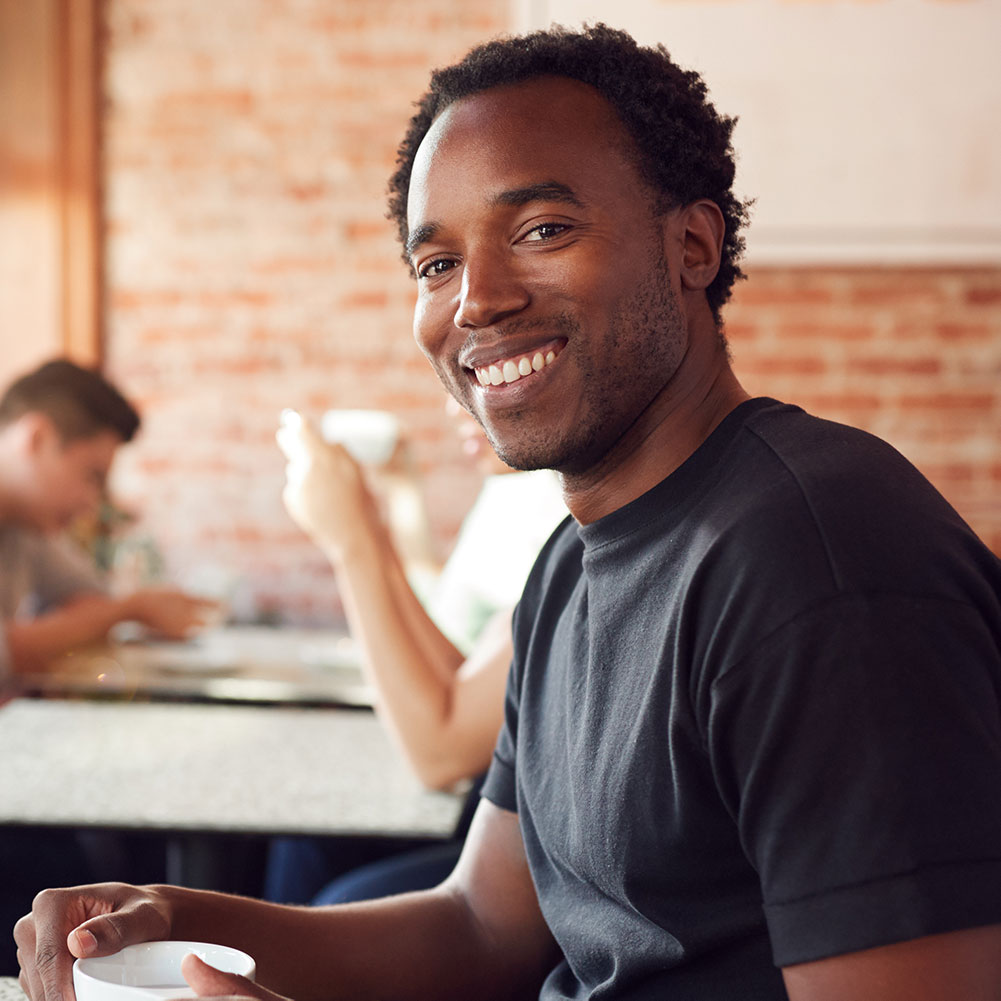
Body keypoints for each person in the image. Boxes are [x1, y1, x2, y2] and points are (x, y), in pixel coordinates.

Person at [15, 24, 1001, 1001]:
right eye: (435, 263)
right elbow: (481, 924)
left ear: (692, 245)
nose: (475, 301)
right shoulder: (570, 565)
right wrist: (174, 918)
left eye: (542, 230)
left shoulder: (817, 559)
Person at [266, 403, 565, 903]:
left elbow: (440, 756)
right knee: (304, 842)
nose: (454, 404)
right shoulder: (533, 514)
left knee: (336, 897)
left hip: (544, 847)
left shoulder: (568, 524)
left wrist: (353, 542)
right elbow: (464, 677)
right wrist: (367, 523)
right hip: (508, 812)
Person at [0, 359, 217, 683]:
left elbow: (94, 596)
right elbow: (5, 655)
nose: (92, 503)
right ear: (37, 438)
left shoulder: (28, 526)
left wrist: (116, 612)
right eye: (92, 476)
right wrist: (130, 610)